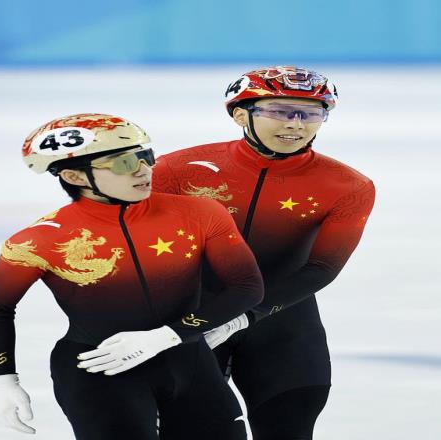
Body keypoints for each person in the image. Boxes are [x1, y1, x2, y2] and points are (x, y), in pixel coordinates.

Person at [0, 113, 264, 440]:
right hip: (100, 371)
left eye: (145, 157)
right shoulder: (40, 239)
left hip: (190, 363)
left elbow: (246, 287)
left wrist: (168, 335)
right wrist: (4, 379)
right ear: (74, 175)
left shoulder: (200, 213)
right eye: (123, 163)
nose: (143, 170)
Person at [152, 66, 376, 440]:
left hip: (282, 327)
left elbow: (322, 267)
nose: (295, 124)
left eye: (310, 113)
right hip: (190, 324)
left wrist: (241, 317)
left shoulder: (347, 186)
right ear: (241, 114)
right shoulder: (175, 170)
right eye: (280, 111)